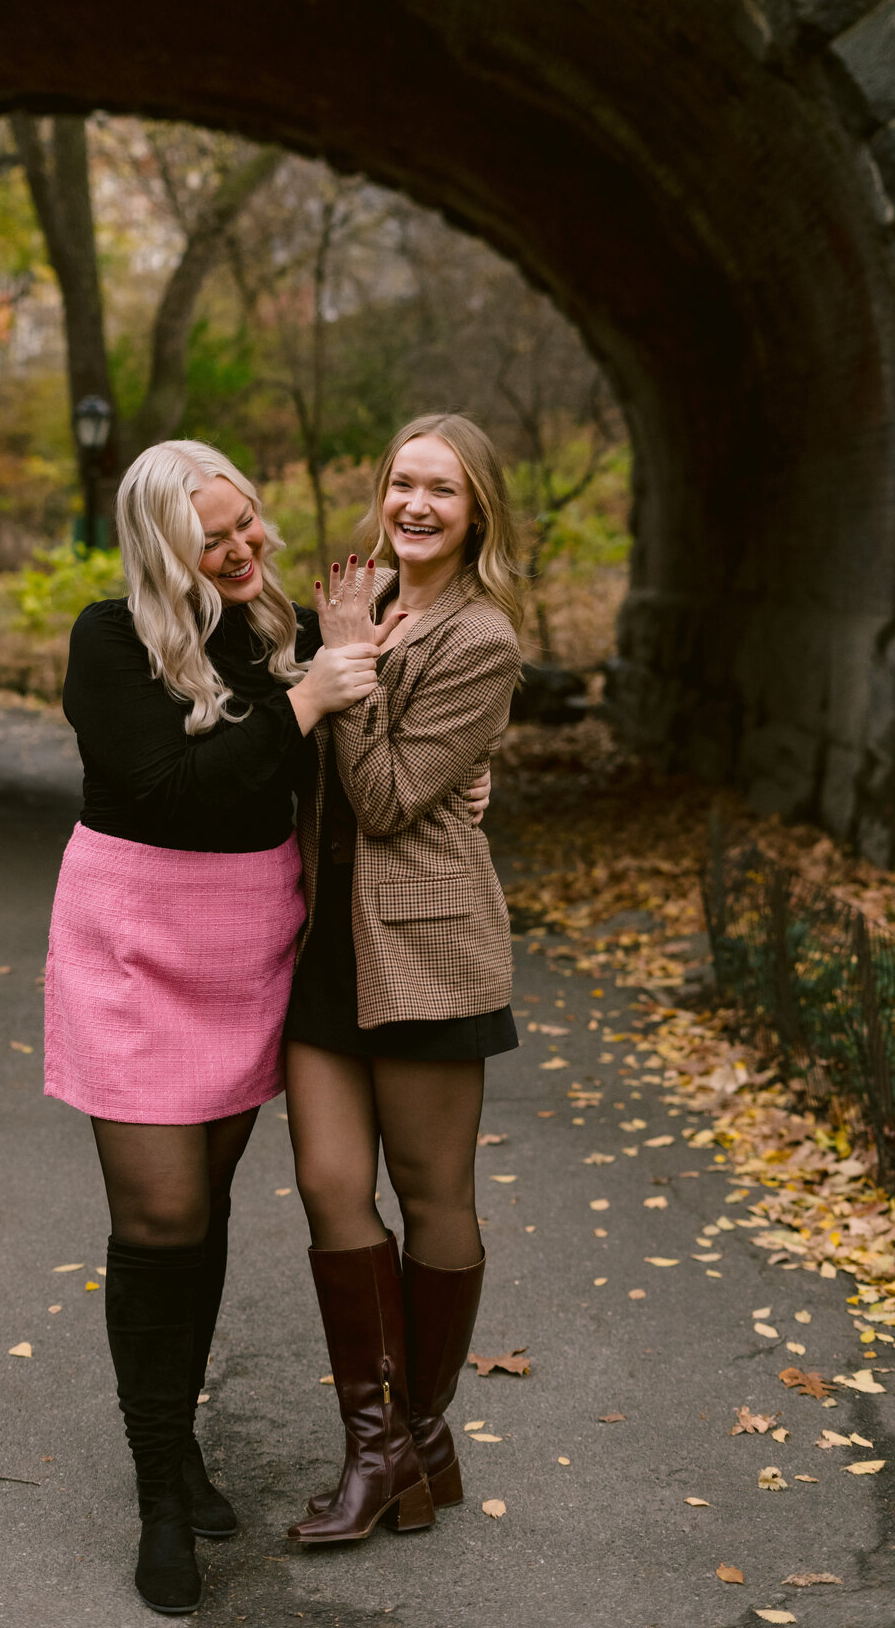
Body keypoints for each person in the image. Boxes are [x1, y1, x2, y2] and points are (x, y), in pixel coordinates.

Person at [43, 439, 488, 1615]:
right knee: (162, 1211)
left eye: (249, 527)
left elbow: (327, 779)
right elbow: (171, 790)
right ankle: (158, 1487)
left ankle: (188, 1446)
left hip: (249, 938)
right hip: (136, 938)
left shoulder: (268, 625)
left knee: (212, 1205)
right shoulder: (109, 640)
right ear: (160, 547)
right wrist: (306, 697)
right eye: (215, 538)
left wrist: (439, 752)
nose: (242, 550)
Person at [282, 413, 525, 1545]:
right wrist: (332, 656)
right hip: (324, 939)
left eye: (443, 489)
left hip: (427, 945)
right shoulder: (351, 603)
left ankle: (409, 1434)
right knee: (333, 1185)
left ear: (478, 511)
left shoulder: (482, 638)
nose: (415, 505)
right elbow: (295, 754)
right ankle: (393, 1447)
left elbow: (383, 798)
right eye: (401, 482)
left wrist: (347, 667)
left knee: (435, 1202)